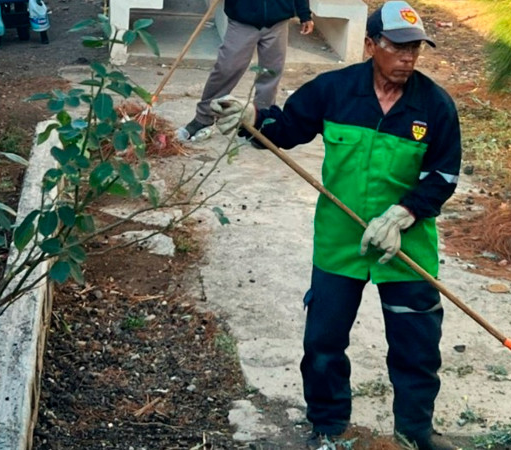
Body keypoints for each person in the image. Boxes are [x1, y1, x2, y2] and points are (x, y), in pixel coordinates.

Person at [211, 1, 461, 449]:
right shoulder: (334, 90)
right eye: (397, 47)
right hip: (339, 240)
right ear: (370, 45)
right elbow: (285, 128)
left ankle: (415, 430)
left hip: (405, 245)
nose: (408, 58)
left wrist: (402, 214)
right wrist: (251, 121)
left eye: (415, 49)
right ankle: (327, 426)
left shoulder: (435, 106)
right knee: (323, 343)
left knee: (417, 346)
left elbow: (443, 175)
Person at [176, 0, 314, 142]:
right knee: (226, 69)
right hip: (242, 20)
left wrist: (305, 14)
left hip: (278, 20)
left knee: (270, 73)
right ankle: (204, 117)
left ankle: (261, 124)